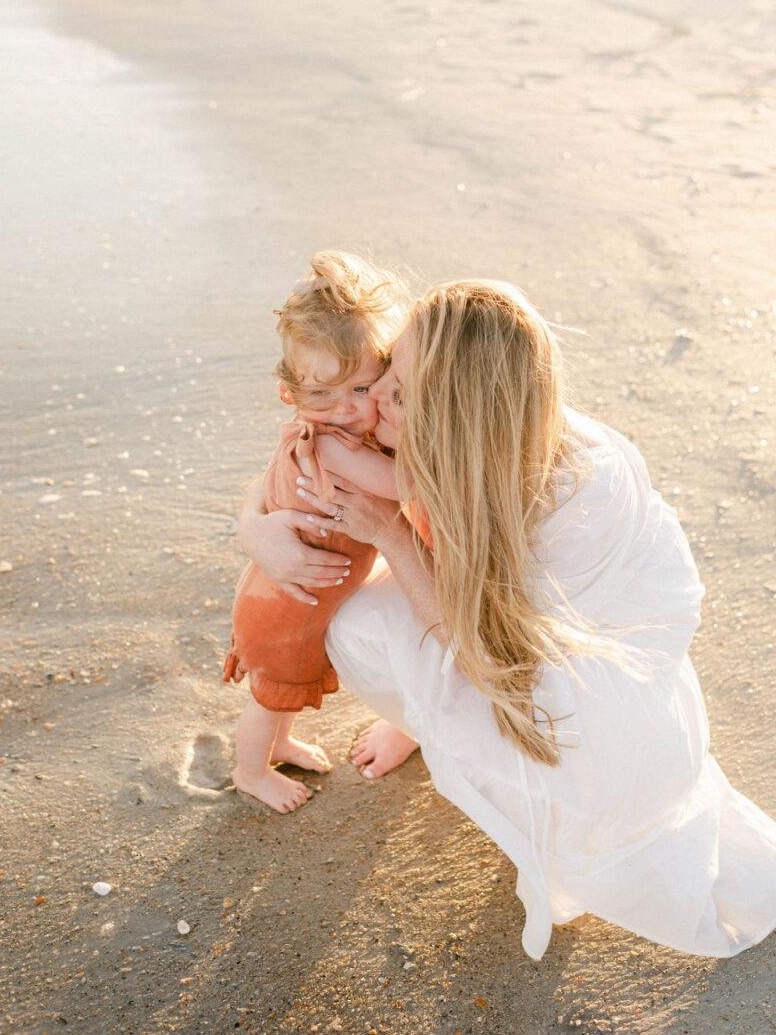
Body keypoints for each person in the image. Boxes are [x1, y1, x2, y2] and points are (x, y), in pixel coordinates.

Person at [239, 275, 776, 959]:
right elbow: (286, 462)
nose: (371, 401)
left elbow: (492, 660)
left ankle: (459, 741)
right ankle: (419, 716)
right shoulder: (491, 422)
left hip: (556, 708)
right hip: (508, 642)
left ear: (450, 408)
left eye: (395, 391)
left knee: (354, 626)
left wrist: (392, 536)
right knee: (369, 608)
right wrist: (252, 530)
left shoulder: (549, 504)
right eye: (385, 375)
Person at [223, 251, 405, 813]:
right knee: (271, 698)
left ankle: (278, 745)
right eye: (323, 395)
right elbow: (404, 484)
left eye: (361, 390)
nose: (347, 410)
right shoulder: (329, 444)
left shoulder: (323, 430)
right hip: (287, 608)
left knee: (281, 702)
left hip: (281, 592)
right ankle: (251, 770)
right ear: (291, 395)